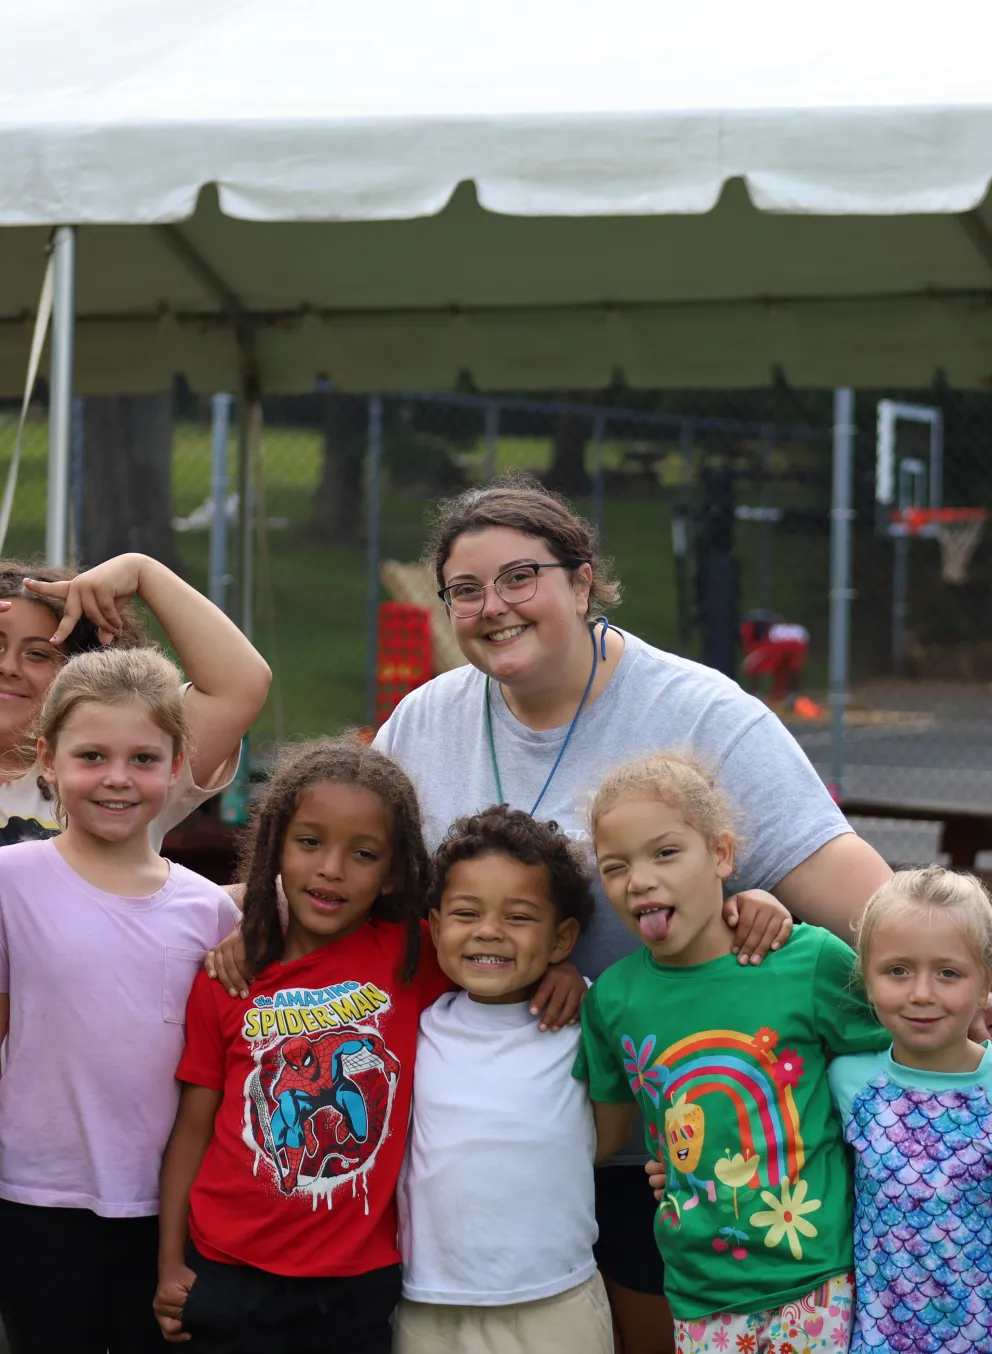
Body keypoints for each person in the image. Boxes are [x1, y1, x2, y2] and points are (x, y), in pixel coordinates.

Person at [207, 477, 890, 1352]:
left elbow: (855, 890)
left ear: (583, 580)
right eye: (465, 589)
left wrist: (933, 967)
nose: (493, 606)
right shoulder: (428, 717)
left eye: (520, 577)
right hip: (480, 1164)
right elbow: (342, 867)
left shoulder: (701, 713)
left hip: (667, 1152)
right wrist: (235, 918)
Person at [576, 751, 891, 1354]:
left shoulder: (806, 960)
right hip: (697, 1290)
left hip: (818, 1278)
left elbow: (904, 1050)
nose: (638, 879)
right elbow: (603, 1138)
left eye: (665, 852)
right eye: (614, 866)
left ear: (721, 855)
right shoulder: (611, 1001)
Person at [154, 738, 450, 1354]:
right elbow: (192, 1130)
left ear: (394, 871)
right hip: (227, 1267)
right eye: (310, 843)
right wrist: (169, 1264)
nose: (331, 869)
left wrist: (555, 974)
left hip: (356, 1279)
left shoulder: (415, 954)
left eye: (363, 853)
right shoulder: (229, 975)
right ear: (276, 848)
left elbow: (496, 961)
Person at [0, 648, 242, 1354]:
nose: (116, 778)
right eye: (92, 755)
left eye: (142, 759)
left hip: (168, 1208)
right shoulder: (10, 881)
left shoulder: (208, 912)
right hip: (32, 1198)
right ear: (48, 760)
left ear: (176, 765)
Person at [395, 806, 613, 1354]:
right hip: (430, 1304)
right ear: (437, 927)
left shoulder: (586, 1019)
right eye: (467, 913)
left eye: (518, 917)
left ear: (562, 939)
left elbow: (603, 1139)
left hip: (558, 1298)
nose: (489, 931)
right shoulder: (411, 1027)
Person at [827, 868, 992, 1354]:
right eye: (898, 970)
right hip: (878, 1342)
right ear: (867, 977)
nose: (922, 993)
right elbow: (792, 1157)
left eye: (948, 972)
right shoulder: (847, 1081)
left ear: (985, 982)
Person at [0, 553, 271, 846]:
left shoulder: (124, 773)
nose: (9, 666)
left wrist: (142, 570)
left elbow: (239, 686)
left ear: (76, 673)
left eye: (38, 654)